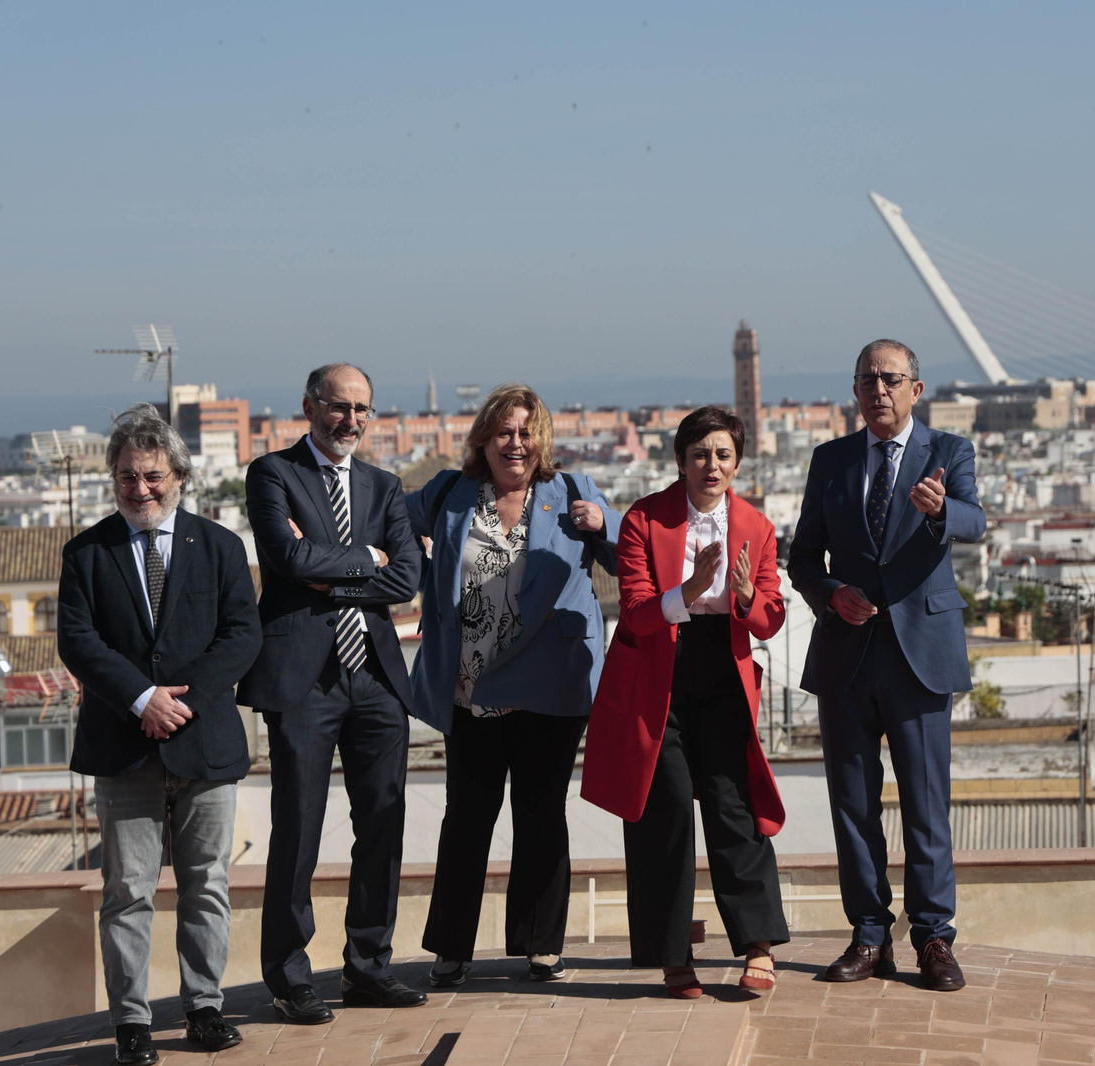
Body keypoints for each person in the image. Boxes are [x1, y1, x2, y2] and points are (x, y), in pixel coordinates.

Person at [58, 403, 262, 1066]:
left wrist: (180, 704)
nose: (139, 489)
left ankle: (204, 1008)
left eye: (152, 476)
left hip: (205, 744)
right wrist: (142, 699)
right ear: (113, 479)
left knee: (207, 885)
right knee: (127, 892)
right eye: (127, 477)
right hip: (124, 747)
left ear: (179, 476)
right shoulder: (86, 553)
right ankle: (132, 1022)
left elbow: (242, 635)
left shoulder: (222, 547)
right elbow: (77, 641)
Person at [405, 383, 620, 987]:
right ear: (483, 439)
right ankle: (452, 949)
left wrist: (604, 522)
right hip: (470, 688)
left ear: (542, 440)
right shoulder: (449, 493)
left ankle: (540, 945)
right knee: (466, 818)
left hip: (550, 684)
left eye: (527, 432)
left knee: (541, 815)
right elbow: (389, 517)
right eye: (503, 431)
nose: (516, 444)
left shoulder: (571, 491)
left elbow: (629, 554)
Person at [788, 339, 985, 992]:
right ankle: (870, 935)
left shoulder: (948, 451)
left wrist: (941, 511)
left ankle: (933, 937)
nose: (878, 390)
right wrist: (830, 594)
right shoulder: (831, 460)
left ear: (916, 390)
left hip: (919, 655)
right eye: (867, 380)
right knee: (853, 804)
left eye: (891, 379)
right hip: (846, 654)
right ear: (855, 391)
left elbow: (975, 521)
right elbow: (802, 558)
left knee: (926, 804)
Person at [582, 405, 789, 998]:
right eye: (700, 454)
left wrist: (745, 598)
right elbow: (637, 613)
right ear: (680, 460)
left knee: (731, 803)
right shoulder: (645, 519)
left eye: (723, 455)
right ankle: (671, 953)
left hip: (722, 669)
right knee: (664, 806)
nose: (711, 466)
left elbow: (771, 617)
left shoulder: (756, 525)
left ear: (738, 463)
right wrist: (689, 590)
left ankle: (758, 943)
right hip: (658, 673)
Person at [240, 362, 425, 1023]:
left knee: (382, 825)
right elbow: (287, 560)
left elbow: (406, 578)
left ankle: (369, 969)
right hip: (302, 679)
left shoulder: (384, 485)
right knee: (298, 829)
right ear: (310, 407)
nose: (351, 420)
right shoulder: (272, 474)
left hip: (375, 675)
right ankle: (290, 977)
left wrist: (333, 571)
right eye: (339, 406)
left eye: (362, 409)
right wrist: (366, 559)